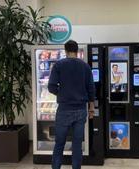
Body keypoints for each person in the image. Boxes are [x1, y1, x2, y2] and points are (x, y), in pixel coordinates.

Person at [48, 40, 95, 169]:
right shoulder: (85, 66)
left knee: (59, 144)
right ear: (77, 50)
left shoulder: (59, 65)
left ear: (65, 50)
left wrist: (62, 93)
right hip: (80, 110)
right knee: (77, 145)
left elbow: (51, 87)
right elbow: (91, 89)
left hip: (64, 110)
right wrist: (91, 109)